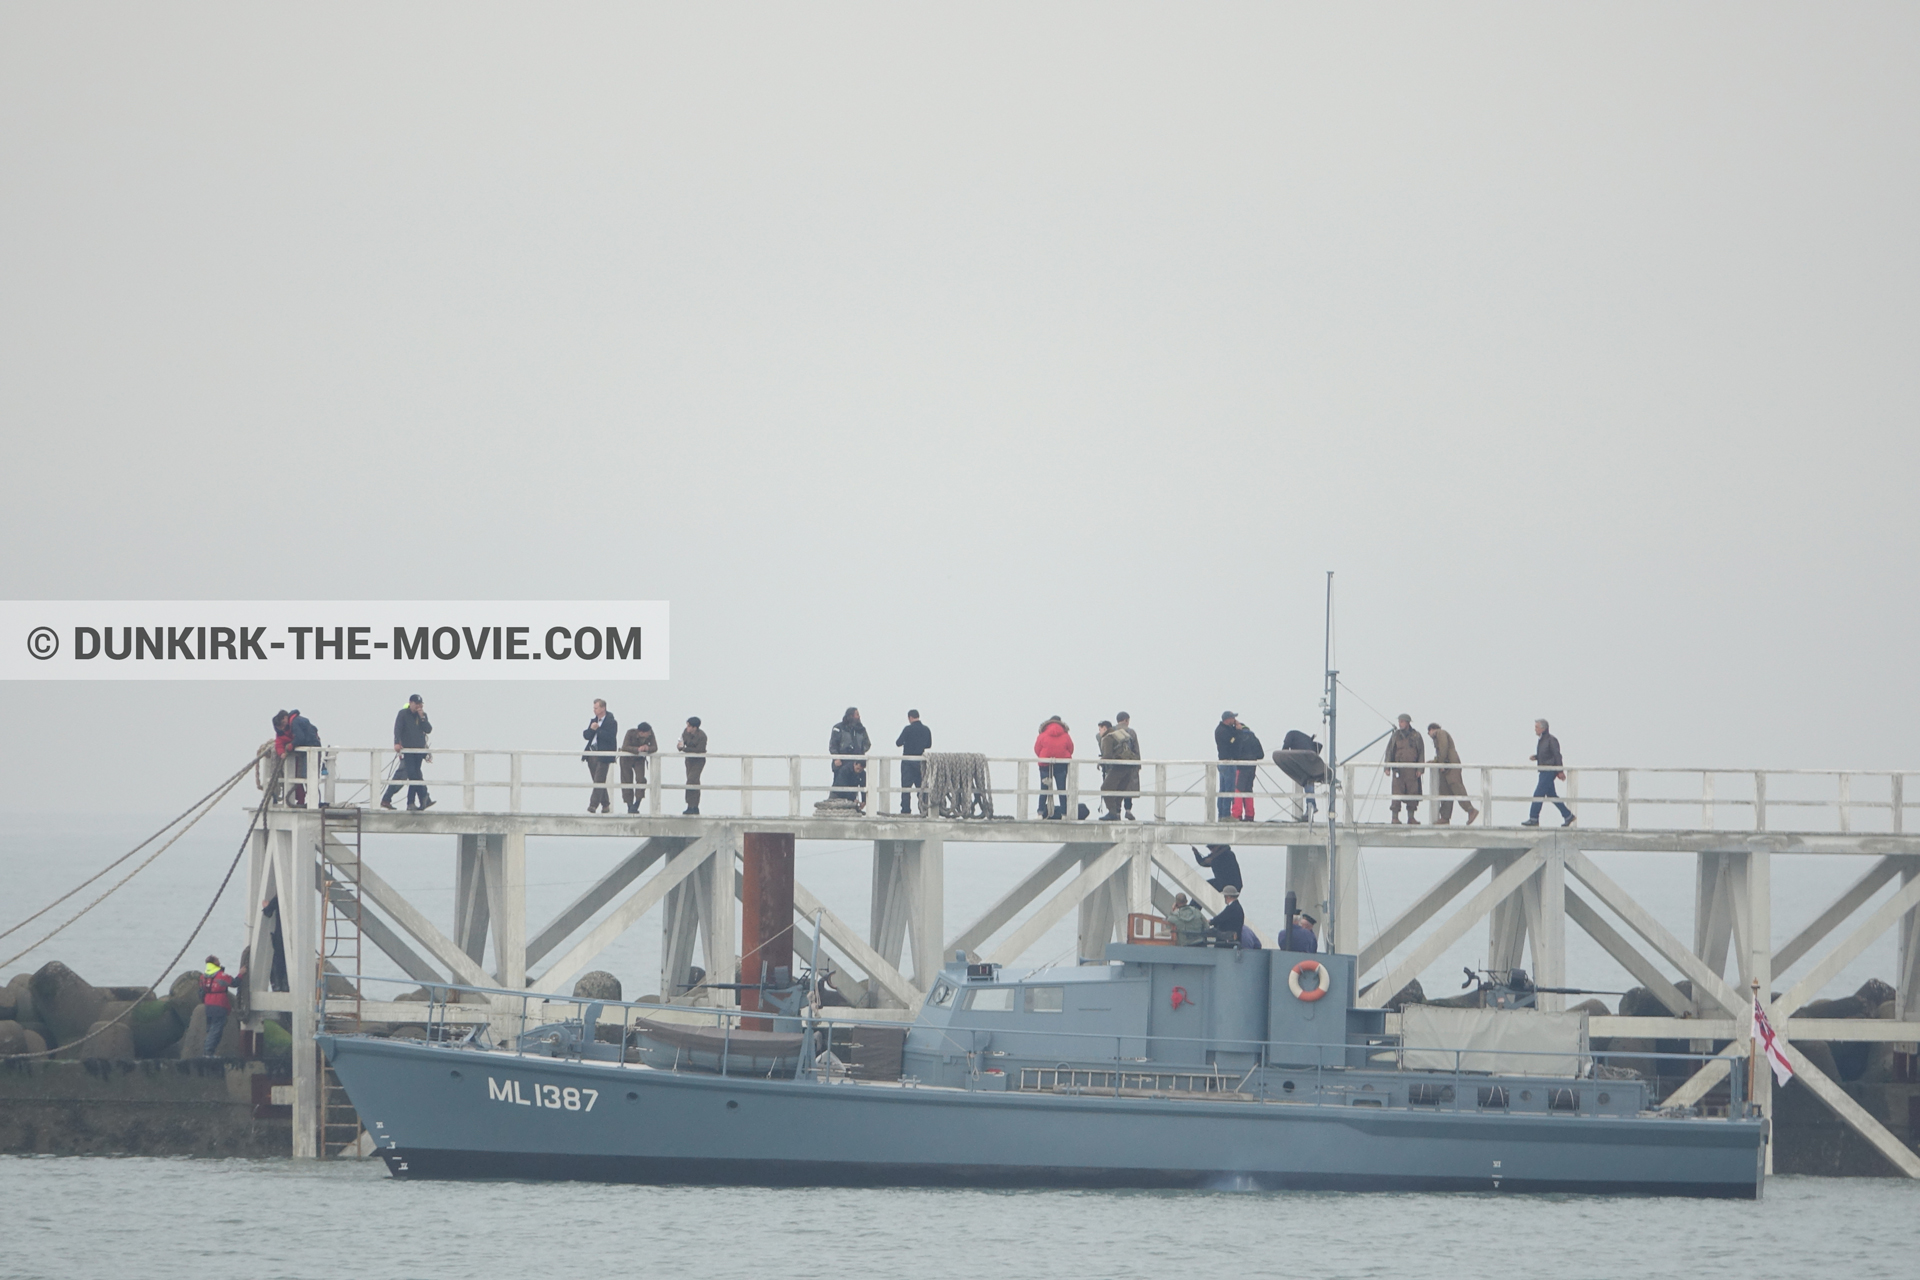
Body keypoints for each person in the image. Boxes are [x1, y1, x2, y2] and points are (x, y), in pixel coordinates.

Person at [381, 695, 433, 811]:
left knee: (416, 776)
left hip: (419, 751)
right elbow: (397, 729)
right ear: (410, 703)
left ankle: (418, 800)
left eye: (420, 704)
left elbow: (428, 729)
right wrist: (396, 743)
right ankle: (418, 800)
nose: (418, 707)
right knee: (413, 776)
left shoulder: (422, 716)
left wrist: (422, 717)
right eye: (416, 704)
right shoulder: (403, 714)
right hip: (408, 751)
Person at [1525, 718, 1575, 827]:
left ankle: (1533, 818)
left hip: (1548, 771)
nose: (1535, 730)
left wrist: (1560, 771)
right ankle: (1568, 815)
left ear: (1543, 728)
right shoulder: (1543, 740)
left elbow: (1557, 756)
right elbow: (1546, 755)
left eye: (1536, 727)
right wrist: (1537, 757)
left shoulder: (1551, 740)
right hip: (1544, 771)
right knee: (1551, 795)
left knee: (1538, 794)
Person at [1427, 722, 1478, 826]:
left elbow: (1444, 748)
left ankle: (1470, 810)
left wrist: (1440, 762)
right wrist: (1436, 761)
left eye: (1429, 733)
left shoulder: (1440, 733)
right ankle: (1445, 817)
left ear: (1432, 730)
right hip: (1446, 767)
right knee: (1445, 791)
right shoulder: (1440, 735)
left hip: (1450, 766)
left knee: (1456, 787)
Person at [199, 955, 245, 1056]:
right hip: (219, 1005)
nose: (219, 961)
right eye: (218, 960)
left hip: (208, 1005)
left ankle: (208, 1051)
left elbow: (201, 992)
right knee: (216, 1030)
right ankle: (208, 1052)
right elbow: (235, 983)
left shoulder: (203, 977)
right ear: (215, 963)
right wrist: (241, 974)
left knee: (210, 1028)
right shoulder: (221, 976)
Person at [1384, 713, 1424, 824]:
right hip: (1398, 770)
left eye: (1402, 721)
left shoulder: (1416, 736)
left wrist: (1420, 769)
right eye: (1399, 721)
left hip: (1412, 770)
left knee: (1412, 793)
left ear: (1407, 722)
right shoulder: (1396, 736)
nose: (1400, 724)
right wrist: (1387, 767)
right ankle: (1395, 817)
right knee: (1396, 793)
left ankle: (1411, 817)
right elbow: (1389, 751)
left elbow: (1421, 753)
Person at [829, 707, 871, 809]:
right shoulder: (838, 728)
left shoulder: (861, 730)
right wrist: (836, 757)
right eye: (857, 714)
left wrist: (860, 751)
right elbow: (833, 745)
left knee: (854, 786)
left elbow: (867, 744)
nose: (859, 716)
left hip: (856, 764)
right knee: (839, 786)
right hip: (842, 763)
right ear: (851, 716)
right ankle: (834, 806)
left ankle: (852, 806)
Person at [582, 699, 618, 813]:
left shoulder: (611, 722)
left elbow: (610, 737)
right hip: (592, 754)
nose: (594, 710)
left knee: (599, 780)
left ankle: (593, 805)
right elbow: (586, 736)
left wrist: (599, 729)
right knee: (598, 780)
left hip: (603, 755)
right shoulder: (593, 721)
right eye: (594, 708)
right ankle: (606, 804)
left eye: (596, 708)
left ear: (603, 708)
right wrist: (592, 729)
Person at [1278, 729, 1324, 821]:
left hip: (1305, 758)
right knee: (1309, 782)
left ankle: (1311, 807)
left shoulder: (1290, 734)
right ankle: (1310, 810)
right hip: (1312, 758)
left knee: (1307, 781)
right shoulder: (1304, 738)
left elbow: (1285, 749)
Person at [1034, 716, 1074, 819]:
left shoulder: (1042, 735)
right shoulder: (1066, 735)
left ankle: (1040, 813)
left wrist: (1045, 757)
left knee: (1044, 789)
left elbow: (1037, 749)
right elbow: (1070, 749)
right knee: (1062, 789)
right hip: (1061, 764)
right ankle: (1064, 814)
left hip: (1045, 765)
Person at [895, 710, 931, 815]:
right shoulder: (926, 729)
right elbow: (928, 744)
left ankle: (906, 810)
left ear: (910, 717)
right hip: (920, 761)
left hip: (907, 762)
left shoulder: (908, 729)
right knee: (922, 786)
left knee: (906, 788)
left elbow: (898, 743)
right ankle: (924, 809)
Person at [1229, 718, 1265, 821]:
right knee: (1248, 790)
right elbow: (1261, 754)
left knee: (1238, 790)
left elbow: (1235, 753)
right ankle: (1250, 815)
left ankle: (1237, 815)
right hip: (1252, 768)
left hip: (1241, 768)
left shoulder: (1238, 737)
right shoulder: (1253, 737)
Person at [286, 709, 322, 808]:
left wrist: (291, 745)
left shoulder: (294, 723)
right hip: (313, 749)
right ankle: (312, 801)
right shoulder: (300, 720)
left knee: (306, 776)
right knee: (309, 777)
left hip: (311, 750)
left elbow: (300, 737)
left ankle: (308, 802)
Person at [620, 720, 658, 813]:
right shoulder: (630, 733)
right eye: (647, 733)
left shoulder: (650, 733)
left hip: (639, 759)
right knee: (626, 781)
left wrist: (647, 748)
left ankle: (637, 804)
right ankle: (629, 805)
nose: (649, 734)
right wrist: (637, 749)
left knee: (641, 779)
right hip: (626, 759)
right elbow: (625, 747)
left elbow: (655, 747)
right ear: (641, 732)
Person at [1112, 713, 1141, 819]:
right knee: (1128, 787)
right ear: (1126, 720)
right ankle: (1128, 810)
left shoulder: (1112, 731)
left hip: (1115, 766)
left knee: (1117, 788)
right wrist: (1138, 765)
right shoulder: (1131, 732)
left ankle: (1117, 812)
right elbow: (1136, 750)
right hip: (1129, 765)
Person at [1214, 712, 1241, 820]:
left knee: (1224, 789)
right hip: (1227, 763)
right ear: (1227, 719)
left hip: (1225, 763)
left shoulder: (1223, 729)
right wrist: (1238, 731)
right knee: (1227, 789)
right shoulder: (1222, 731)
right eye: (1233, 718)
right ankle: (1224, 814)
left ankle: (1222, 813)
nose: (1234, 720)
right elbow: (1232, 741)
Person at [678, 717, 707, 814]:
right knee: (694, 782)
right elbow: (681, 744)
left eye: (689, 726)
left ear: (695, 727)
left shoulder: (702, 736)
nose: (687, 728)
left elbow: (699, 750)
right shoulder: (685, 733)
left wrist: (685, 749)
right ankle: (693, 806)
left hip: (698, 761)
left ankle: (692, 805)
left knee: (691, 780)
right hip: (689, 760)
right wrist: (679, 746)